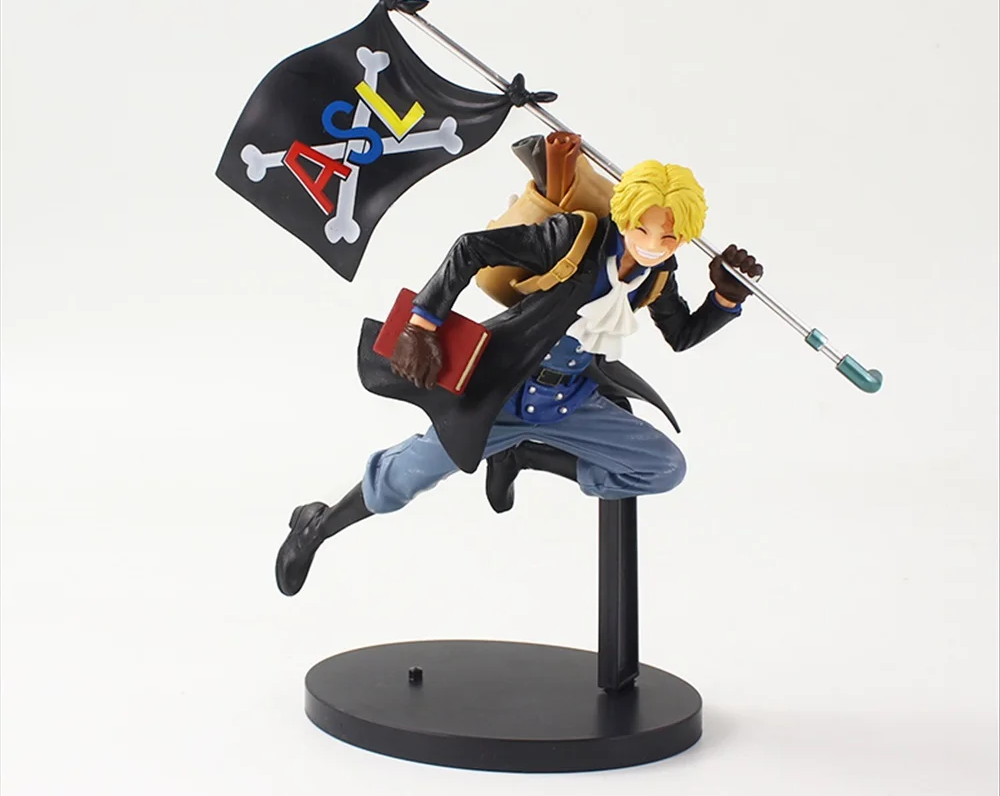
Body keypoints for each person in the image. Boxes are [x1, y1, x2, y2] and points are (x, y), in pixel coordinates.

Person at [275, 133, 763, 596]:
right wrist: (422, 324)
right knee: (403, 479)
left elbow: (680, 335)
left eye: (670, 237)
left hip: (571, 400)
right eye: (644, 229)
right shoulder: (575, 238)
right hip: (502, 392)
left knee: (662, 467)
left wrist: (725, 298)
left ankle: (524, 455)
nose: (654, 244)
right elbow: (471, 248)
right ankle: (317, 526)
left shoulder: (657, 276)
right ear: (625, 214)